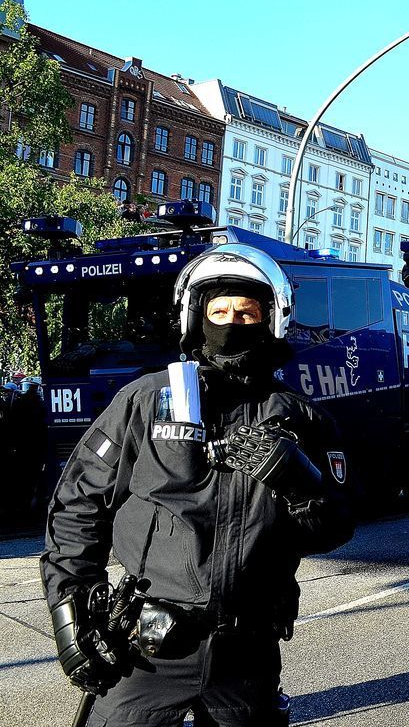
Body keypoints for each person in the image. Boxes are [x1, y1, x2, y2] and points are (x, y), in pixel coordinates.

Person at [41, 243, 354, 726]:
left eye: (246, 312)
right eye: (219, 310)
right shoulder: (145, 401)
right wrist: (72, 608)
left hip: (246, 653)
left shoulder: (303, 419)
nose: (231, 323)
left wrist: (302, 484)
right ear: (194, 316)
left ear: (272, 318)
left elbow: (335, 527)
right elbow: (78, 506)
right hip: (148, 650)